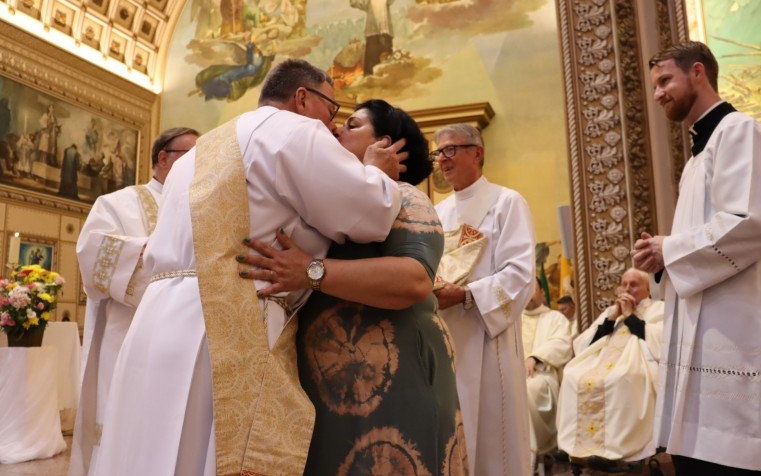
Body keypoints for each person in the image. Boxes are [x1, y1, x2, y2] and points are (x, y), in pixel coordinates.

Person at [90, 59, 406, 476]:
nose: (332, 127)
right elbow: (369, 214)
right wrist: (378, 174)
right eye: (332, 111)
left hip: (156, 320)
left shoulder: (199, 152)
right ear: (303, 97)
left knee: (149, 452)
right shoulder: (296, 131)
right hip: (227, 319)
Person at [241, 99, 469, 475]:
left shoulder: (406, 197)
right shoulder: (325, 206)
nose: (333, 130)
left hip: (397, 376)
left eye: (351, 124)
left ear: (389, 145)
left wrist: (311, 271)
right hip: (329, 388)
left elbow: (414, 279)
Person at [634, 41, 761, 473]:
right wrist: (663, 258)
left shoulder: (740, 132)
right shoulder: (697, 158)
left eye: (665, 80)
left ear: (698, 74)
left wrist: (670, 248)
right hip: (709, 337)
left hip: (741, 336)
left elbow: (755, 222)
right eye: (654, 85)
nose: (658, 95)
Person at [69, 126, 199, 476]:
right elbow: (91, 253)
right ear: (163, 158)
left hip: (184, 345)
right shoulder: (118, 203)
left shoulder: (202, 209)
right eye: (192, 156)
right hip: (126, 335)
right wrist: (171, 272)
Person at [432, 123, 535, 476]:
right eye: (437, 153)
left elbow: (520, 274)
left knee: (494, 444)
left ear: (477, 153)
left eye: (450, 150)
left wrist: (465, 295)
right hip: (446, 340)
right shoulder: (437, 212)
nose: (441, 160)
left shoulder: (507, 203)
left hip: (489, 337)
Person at [557, 268, 664, 462]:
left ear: (648, 289)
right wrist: (612, 318)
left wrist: (630, 316)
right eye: (624, 284)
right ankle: (577, 445)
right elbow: (585, 345)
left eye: (634, 284)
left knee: (620, 378)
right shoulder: (611, 311)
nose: (627, 288)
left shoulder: (658, 309)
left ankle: (616, 447)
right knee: (572, 374)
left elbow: (660, 341)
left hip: (636, 363)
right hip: (602, 362)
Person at [521, 283, 572, 457]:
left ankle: (527, 456)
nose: (527, 293)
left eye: (532, 289)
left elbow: (562, 344)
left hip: (542, 376)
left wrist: (535, 357)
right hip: (513, 376)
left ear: (542, 292)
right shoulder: (511, 320)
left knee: (522, 391)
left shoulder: (555, 318)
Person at [342, 0, 399, 75]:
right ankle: (369, 76)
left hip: (384, 29)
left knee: (385, 52)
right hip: (372, 31)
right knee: (371, 54)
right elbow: (360, 0)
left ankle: (387, 74)